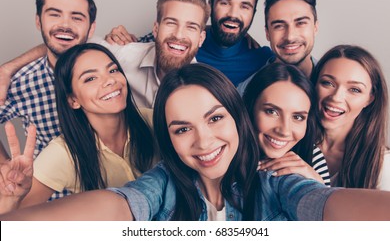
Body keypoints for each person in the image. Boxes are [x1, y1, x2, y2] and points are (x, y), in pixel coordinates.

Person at [2, 63, 390, 221]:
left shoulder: (279, 181)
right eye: (182, 128)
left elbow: (324, 203)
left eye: (215, 118)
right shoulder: (163, 184)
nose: (204, 141)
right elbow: (120, 204)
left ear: (237, 119)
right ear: (168, 139)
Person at [0, 0, 209, 110]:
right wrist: (8, 68)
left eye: (191, 27)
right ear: (156, 28)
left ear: (201, 38)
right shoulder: (122, 56)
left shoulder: (209, 90)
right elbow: (68, 41)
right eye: (171, 23)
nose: (179, 35)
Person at [0, 43, 156, 213]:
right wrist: (11, 199)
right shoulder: (64, 153)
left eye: (112, 70)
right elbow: (10, 219)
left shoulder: (155, 121)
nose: (110, 80)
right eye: (90, 78)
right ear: (73, 100)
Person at [104, 0, 274, 87]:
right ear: (210, 6)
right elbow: (147, 45)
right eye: (224, 3)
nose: (233, 14)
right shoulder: (182, 43)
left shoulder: (263, 60)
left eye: (244, 7)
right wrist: (116, 40)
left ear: (253, 13)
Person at [0, 0, 97, 169]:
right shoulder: (20, 82)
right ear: (39, 21)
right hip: (51, 198)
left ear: (91, 28)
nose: (65, 25)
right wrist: (4, 167)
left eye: (76, 17)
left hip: (111, 194)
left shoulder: (113, 68)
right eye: (54, 14)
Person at [312, 44, 390, 190]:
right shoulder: (292, 143)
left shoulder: (382, 165)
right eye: (327, 83)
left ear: (370, 98)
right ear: (314, 84)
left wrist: (317, 189)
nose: (336, 97)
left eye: (354, 89)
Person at [243, 63, 330, 185]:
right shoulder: (225, 153)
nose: (284, 131)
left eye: (298, 117)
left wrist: (318, 185)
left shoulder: (313, 156)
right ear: (250, 108)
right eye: (272, 112)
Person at [237, 0, 319, 94]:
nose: (290, 37)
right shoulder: (246, 91)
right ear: (267, 33)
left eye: (300, 23)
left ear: (315, 27)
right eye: (279, 26)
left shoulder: (335, 82)